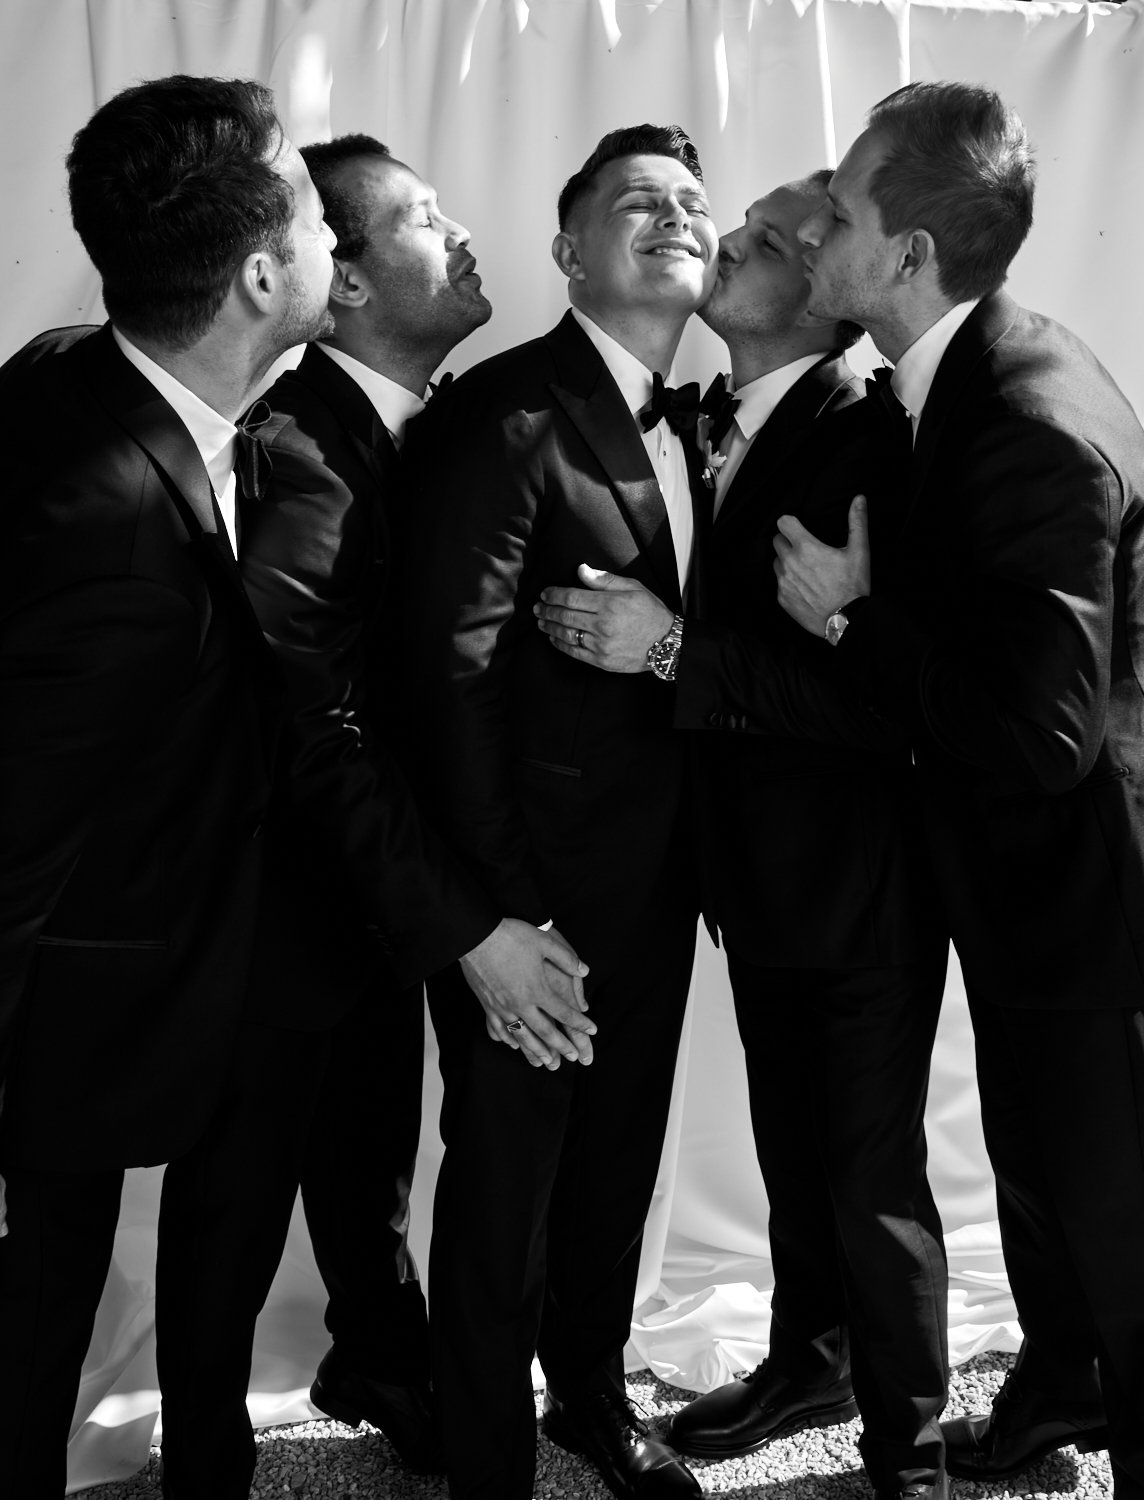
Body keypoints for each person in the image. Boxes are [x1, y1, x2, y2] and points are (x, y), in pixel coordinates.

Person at [754, 81, 1144, 1500]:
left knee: (1143, 1235)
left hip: (1100, 902)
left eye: (843, 208)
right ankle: (1056, 1399)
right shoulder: (957, 380)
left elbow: (1043, 728)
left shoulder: (1020, 415)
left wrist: (846, 616)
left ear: (907, 258)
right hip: (1031, 893)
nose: (819, 223)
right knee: (1055, 1190)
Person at [536, 173, 951, 1500]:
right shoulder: (717, 413)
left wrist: (671, 650)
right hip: (755, 872)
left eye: (771, 241)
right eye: (746, 225)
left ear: (824, 307)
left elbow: (876, 699)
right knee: (793, 1146)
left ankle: (914, 1454)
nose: (732, 245)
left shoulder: (866, 438)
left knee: (871, 1174)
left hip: (858, 872)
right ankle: (810, 1358)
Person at [0, 76, 335, 1500]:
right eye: (320, 214)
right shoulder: (102, 523)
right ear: (260, 272)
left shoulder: (68, 364)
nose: (340, 239)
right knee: (39, 1298)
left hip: (240, 951)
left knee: (221, 1250)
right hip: (88, 987)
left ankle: (212, 1459)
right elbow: (18, 826)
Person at [238, 133, 593, 1474]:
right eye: (424, 219)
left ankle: (387, 1353)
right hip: (300, 904)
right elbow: (314, 732)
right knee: (304, 1150)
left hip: (401, 889)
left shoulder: (450, 428)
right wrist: (467, 927)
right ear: (342, 287)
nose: (461, 234)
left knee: (375, 1133)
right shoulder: (300, 455)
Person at [395, 124, 718, 1499]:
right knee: (503, 1184)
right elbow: (445, 674)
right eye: (636, 201)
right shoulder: (503, 409)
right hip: (531, 893)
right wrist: (502, 907)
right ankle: (484, 1454)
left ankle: (591, 1393)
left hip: (662, 879)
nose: (674, 215)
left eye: (692, 202)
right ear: (569, 250)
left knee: (619, 1163)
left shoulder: (708, 413)